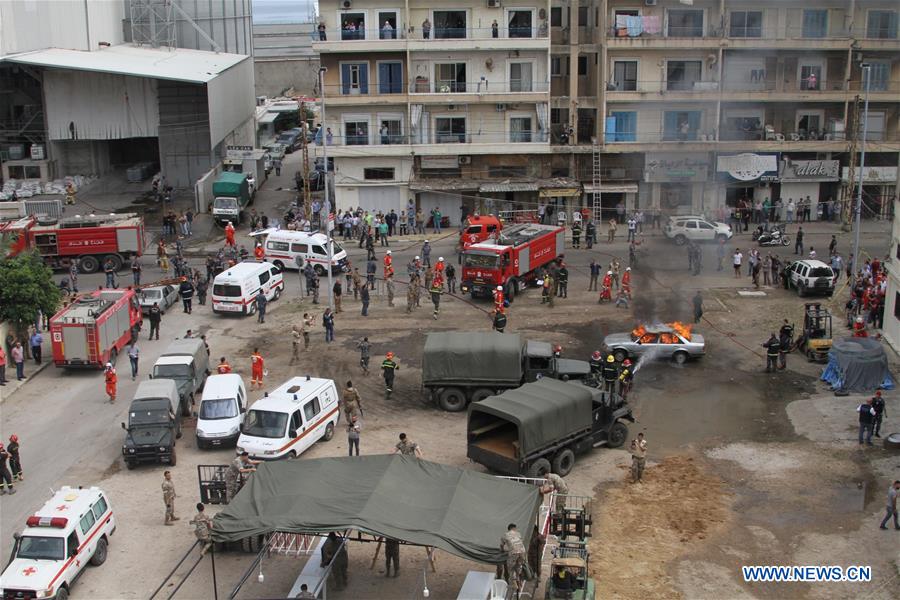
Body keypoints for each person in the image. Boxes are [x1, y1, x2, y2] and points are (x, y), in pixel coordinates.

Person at [500, 523, 527, 587]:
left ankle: (514, 584)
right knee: (518, 566)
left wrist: (502, 550)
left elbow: (502, 545)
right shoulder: (518, 534)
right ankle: (518, 581)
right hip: (522, 552)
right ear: (514, 528)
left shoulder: (505, 535)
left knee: (510, 568)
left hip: (514, 552)